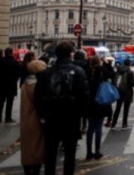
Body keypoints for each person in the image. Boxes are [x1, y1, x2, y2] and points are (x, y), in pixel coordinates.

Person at [34, 41, 89, 175]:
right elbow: (85, 96)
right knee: (70, 156)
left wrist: (43, 115)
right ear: (70, 53)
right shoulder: (78, 71)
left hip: (51, 118)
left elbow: (37, 97)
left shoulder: (46, 73)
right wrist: (81, 116)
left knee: (50, 155)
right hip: (71, 118)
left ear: (56, 53)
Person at [20, 58, 47, 175]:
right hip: (36, 119)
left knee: (27, 147)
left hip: (25, 120)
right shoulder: (36, 85)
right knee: (37, 147)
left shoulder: (25, 84)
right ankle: (35, 169)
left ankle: (27, 168)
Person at [86, 56, 113, 160]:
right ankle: (97, 151)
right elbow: (112, 74)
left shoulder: (87, 71)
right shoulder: (102, 70)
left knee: (90, 127)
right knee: (98, 127)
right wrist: (107, 64)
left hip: (89, 102)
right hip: (101, 101)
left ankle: (89, 152)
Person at [111, 58, 134, 130]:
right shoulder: (130, 72)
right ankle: (124, 124)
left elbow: (114, 80)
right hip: (127, 91)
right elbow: (133, 84)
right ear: (129, 64)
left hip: (118, 91)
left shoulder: (118, 70)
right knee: (126, 108)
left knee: (117, 108)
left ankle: (113, 124)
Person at [0, 47, 20, 123]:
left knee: (1, 101)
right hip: (11, 85)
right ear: (11, 53)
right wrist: (14, 80)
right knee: (9, 102)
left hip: (1, 85)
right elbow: (18, 74)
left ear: (5, 53)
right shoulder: (14, 62)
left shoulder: (1, 60)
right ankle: (8, 118)